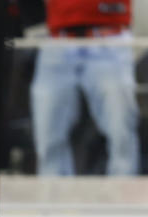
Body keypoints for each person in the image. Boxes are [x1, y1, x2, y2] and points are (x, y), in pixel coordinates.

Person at [30, 0, 139, 175]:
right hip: (58, 40)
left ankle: (124, 197)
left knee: (120, 131)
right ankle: (54, 197)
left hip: (109, 37)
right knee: (48, 135)